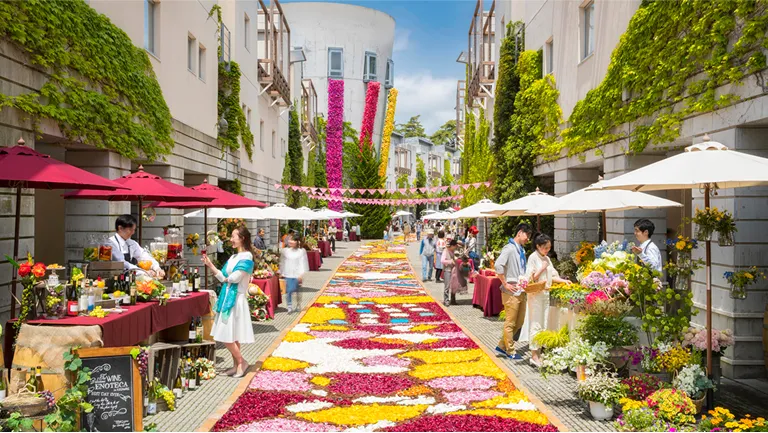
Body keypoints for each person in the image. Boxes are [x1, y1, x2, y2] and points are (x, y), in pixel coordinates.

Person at [202, 225, 255, 377]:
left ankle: (241, 362)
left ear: (242, 238)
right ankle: (236, 365)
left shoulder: (247, 256)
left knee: (225, 334)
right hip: (227, 297)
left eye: (234, 236)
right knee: (232, 334)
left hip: (236, 299)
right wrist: (210, 264)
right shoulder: (233, 258)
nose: (231, 239)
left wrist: (226, 279)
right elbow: (223, 276)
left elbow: (235, 278)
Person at [525, 233, 571, 367]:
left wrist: (564, 281)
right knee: (536, 323)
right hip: (536, 295)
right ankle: (534, 355)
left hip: (545, 294)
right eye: (545, 247)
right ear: (538, 246)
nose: (547, 250)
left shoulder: (546, 258)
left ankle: (539, 352)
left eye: (549, 248)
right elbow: (532, 278)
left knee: (544, 322)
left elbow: (552, 275)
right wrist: (542, 268)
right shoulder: (533, 257)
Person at [494, 223, 533, 360]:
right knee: (510, 323)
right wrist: (505, 283)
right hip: (511, 290)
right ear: (520, 233)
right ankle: (510, 350)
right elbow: (498, 264)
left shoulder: (521, 250)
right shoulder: (510, 249)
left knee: (520, 321)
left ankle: (501, 345)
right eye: (527, 235)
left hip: (521, 289)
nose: (528, 238)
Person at [280, 235, 309, 313]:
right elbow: (283, 262)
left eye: (292, 240)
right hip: (288, 273)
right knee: (289, 290)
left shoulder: (301, 251)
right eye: (290, 240)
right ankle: (289, 306)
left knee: (296, 290)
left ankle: (298, 304)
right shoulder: (285, 251)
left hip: (297, 274)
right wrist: (281, 272)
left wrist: (301, 274)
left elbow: (303, 263)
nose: (290, 242)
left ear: (297, 242)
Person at [441, 239, 459, 307]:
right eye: (455, 246)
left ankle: (453, 299)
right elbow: (442, 260)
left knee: (454, 285)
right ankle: (446, 300)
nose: (456, 248)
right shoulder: (445, 251)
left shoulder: (453, 251)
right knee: (447, 286)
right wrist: (450, 261)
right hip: (447, 270)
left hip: (453, 270)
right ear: (452, 245)